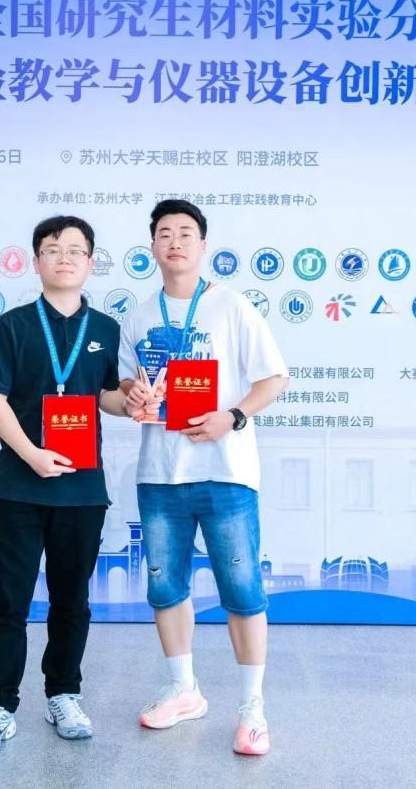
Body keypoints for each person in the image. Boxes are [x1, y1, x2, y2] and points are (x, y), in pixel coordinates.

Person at [0, 215, 147, 756]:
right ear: (36, 261)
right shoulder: (12, 325)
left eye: (74, 250)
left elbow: (105, 395)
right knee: (7, 602)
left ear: (90, 263)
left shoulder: (106, 329)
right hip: (17, 488)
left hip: (82, 491)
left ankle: (63, 693)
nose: (63, 258)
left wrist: (132, 403)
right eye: (52, 249)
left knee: (72, 601)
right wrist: (32, 454)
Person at [118, 199, 289, 756]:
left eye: (185, 233)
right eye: (164, 233)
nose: (175, 242)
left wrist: (232, 416)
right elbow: (125, 386)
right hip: (159, 473)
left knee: (242, 590)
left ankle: (252, 709)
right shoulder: (139, 315)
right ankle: (184, 689)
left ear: (203, 246)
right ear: (151, 247)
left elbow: (275, 378)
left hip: (225, 472)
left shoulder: (231, 306)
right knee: (165, 586)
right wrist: (133, 396)